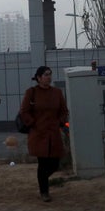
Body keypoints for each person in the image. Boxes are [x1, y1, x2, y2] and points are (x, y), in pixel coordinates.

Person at [19, 66, 69, 202]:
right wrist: (33, 123)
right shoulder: (31, 93)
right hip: (39, 133)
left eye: (50, 74)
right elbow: (24, 111)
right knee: (43, 162)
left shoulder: (57, 93)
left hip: (54, 133)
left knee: (54, 163)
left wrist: (61, 121)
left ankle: (43, 180)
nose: (49, 77)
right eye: (46, 75)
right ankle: (44, 191)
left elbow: (64, 110)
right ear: (39, 78)